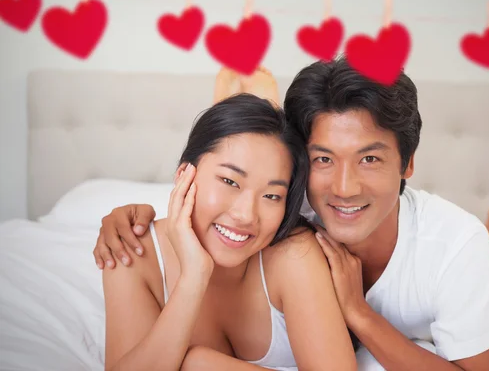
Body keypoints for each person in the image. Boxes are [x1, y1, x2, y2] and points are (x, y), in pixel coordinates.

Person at [95, 57, 489, 370]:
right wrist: (136, 216)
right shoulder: (282, 205)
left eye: (369, 159)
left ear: (408, 164)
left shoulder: (456, 246)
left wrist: (359, 313)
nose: (343, 187)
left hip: (474, 260)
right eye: (322, 159)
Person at [101, 94, 357, 370]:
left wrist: (199, 364)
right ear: (184, 174)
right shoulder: (131, 250)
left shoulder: (293, 253)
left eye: (271, 196)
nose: (245, 215)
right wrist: (193, 278)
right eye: (229, 181)